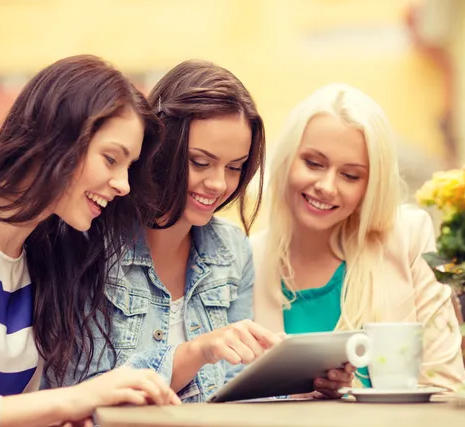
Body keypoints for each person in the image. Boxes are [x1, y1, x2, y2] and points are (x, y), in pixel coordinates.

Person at [0, 55, 179, 427]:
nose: (123, 185)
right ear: (56, 137)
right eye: (111, 159)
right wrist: (70, 401)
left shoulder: (42, 257)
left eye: (128, 168)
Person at [59, 60, 354, 402]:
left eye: (234, 167)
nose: (218, 184)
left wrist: (303, 385)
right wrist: (196, 352)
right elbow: (79, 391)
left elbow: (235, 390)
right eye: (200, 162)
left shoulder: (230, 250)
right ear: (158, 147)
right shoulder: (90, 241)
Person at [252, 83, 465, 391]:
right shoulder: (247, 259)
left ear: (370, 186)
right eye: (313, 163)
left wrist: (351, 394)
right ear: (286, 159)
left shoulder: (409, 237)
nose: (327, 186)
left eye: (350, 175)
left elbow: (446, 385)